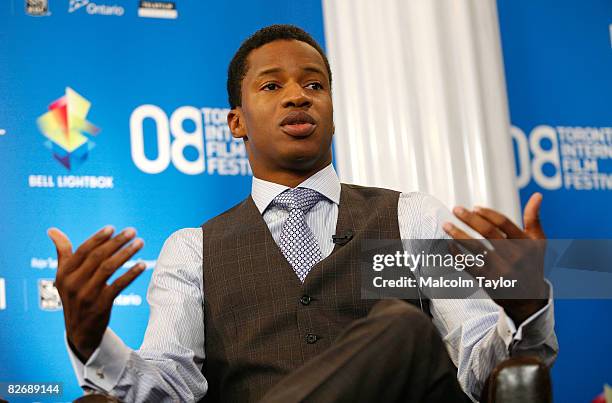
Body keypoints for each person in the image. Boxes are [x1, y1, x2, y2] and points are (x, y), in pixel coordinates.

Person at [49, 25, 558, 402]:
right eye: (272, 86)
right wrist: (92, 342)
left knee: (402, 330)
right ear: (236, 122)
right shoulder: (193, 249)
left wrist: (524, 310)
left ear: (333, 110)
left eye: (315, 85)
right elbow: (169, 384)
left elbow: (478, 368)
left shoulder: (411, 217)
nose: (298, 95)